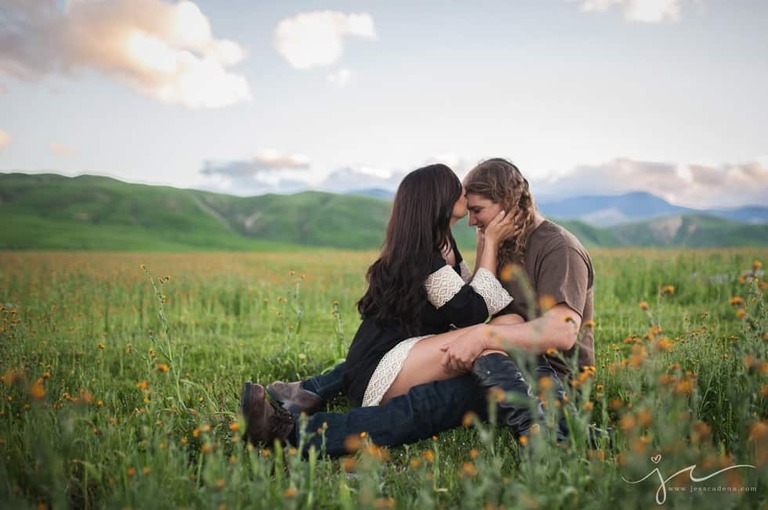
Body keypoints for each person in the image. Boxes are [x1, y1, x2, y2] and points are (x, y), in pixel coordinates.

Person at [242, 158, 595, 457]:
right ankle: (288, 429)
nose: (472, 221)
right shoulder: (478, 247)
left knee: (433, 400)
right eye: (466, 210)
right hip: (497, 365)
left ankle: (552, 425)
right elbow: (486, 311)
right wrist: (488, 326)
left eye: (477, 211)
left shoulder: (557, 247)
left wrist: (486, 334)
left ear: (506, 203)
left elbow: (557, 330)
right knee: (432, 402)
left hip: (549, 376)